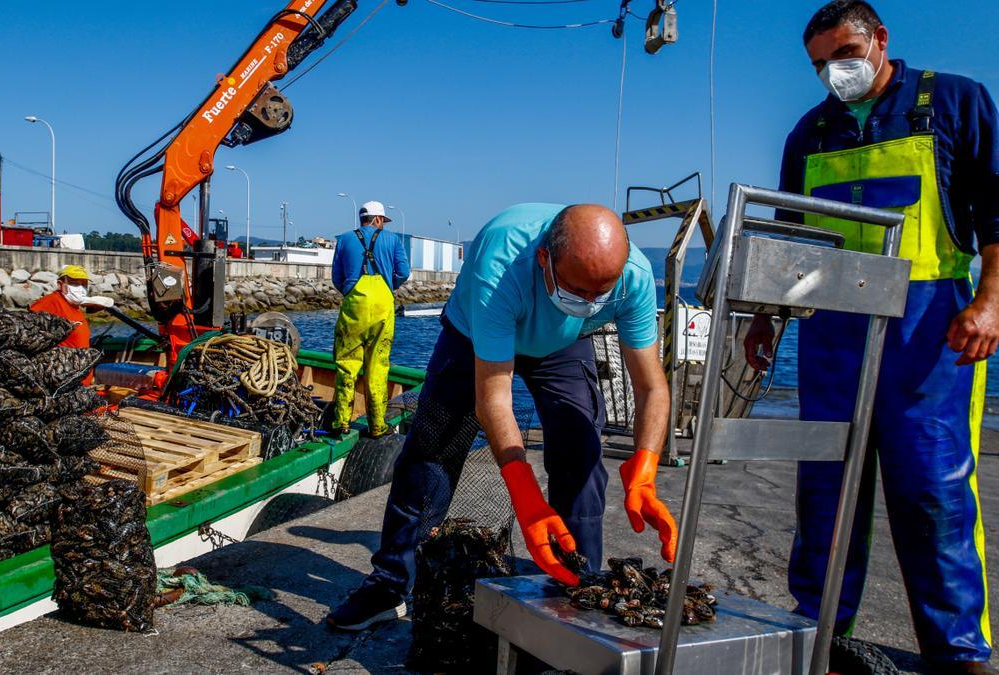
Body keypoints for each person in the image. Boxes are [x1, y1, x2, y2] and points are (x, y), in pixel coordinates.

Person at [744, 2, 999, 671]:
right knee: (825, 488)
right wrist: (768, 319)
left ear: (881, 40)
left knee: (932, 490)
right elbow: (791, 236)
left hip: (927, 336)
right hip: (831, 337)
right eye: (821, 63)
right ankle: (820, 635)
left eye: (847, 52)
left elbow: (996, 213)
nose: (836, 71)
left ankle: (958, 653)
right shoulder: (809, 134)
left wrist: (991, 302)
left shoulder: (954, 102)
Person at [327, 203, 677, 631]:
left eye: (599, 294)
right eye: (576, 290)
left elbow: (652, 386)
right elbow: (493, 397)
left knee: (581, 452)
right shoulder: (502, 263)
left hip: (563, 345)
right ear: (545, 259)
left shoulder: (633, 278)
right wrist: (525, 495)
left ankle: (576, 583)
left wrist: (644, 467)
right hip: (474, 332)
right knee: (433, 450)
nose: (588, 303)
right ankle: (392, 581)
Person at [329, 201, 411, 437]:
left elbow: (337, 276)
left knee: (347, 364)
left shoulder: (343, 239)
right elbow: (404, 273)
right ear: (377, 219)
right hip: (383, 304)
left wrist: (349, 291)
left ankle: (342, 423)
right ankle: (377, 426)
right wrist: (389, 286)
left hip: (354, 303)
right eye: (383, 221)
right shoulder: (393, 240)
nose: (382, 226)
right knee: (378, 366)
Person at [30, 265, 112, 385]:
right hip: (65, 377)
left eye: (83, 284)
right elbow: (30, 320)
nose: (80, 288)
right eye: (74, 283)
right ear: (60, 284)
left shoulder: (74, 304)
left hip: (82, 378)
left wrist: (92, 304)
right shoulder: (52, 301)